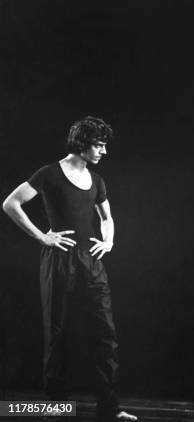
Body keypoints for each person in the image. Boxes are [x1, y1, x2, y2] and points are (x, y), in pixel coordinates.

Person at [2, 116, 137, 422]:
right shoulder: (49, 173)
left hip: (91, 262)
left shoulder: (98, 180)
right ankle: (55, 408)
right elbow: (11, 203)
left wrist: (109, 241)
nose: (103, 151)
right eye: (98, 144)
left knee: (105, 332)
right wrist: (42, 236)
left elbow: (106, 217)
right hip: (59, 260)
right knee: (57, 333)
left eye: (104, 145)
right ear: (82, 143)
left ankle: (109, 407)